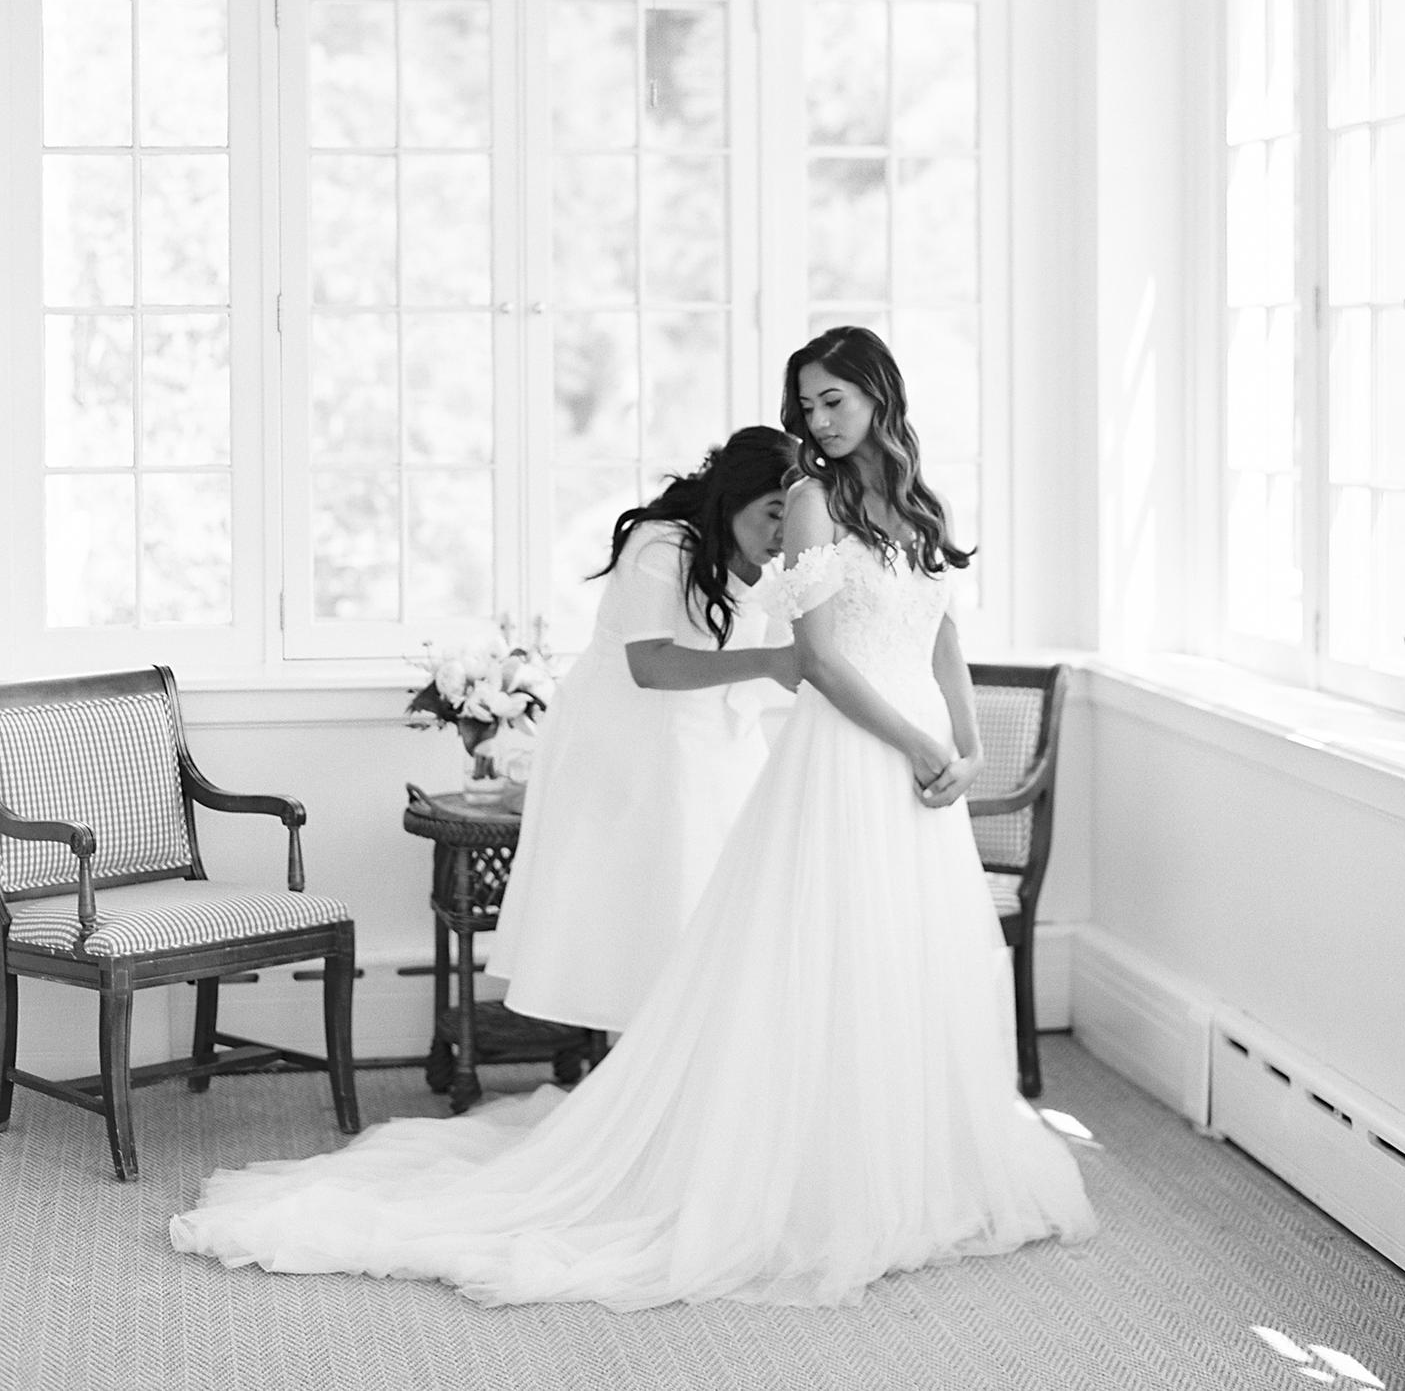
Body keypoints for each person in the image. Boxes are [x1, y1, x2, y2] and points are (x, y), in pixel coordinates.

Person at [171, 328, 1094, 1308]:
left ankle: (913, 1164)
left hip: (923, 760)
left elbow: (942, 623)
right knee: (826, 953)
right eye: (807, 405)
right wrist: (914, 742)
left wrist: (968, 743)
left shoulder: (918, 504)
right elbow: (819, 658)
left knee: (908, 957)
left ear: (877, 390)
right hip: (854, 752)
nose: (820, 420)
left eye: (834, 399)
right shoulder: (814, 501)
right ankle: (809, 1177)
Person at [487, 426, 798, 1033]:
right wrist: (768, 662)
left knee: (721, 897)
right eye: (772, 514)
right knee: (644, 904)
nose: (782, 534)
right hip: (629, 740)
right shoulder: (660, 546)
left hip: (718, 735)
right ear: (734, 497)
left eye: (793, 518)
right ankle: (637, 1068)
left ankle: (692, 1062)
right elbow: (650, 664)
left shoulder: (769, 563)